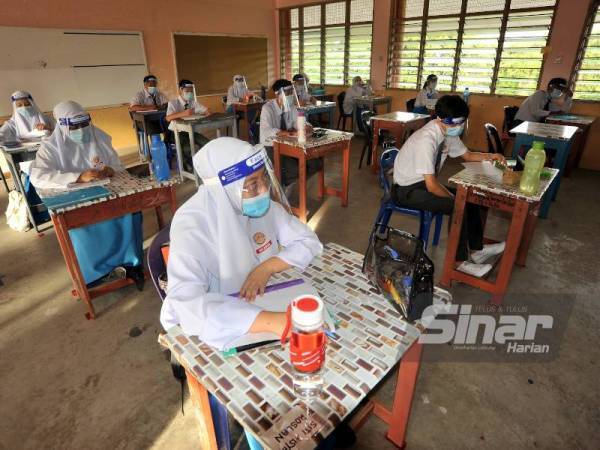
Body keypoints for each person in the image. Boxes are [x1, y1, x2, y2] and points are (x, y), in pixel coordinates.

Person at [29, 101, 144, 287]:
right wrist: (78, 177)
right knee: (83, 224)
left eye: (84, 124)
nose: (81, 130)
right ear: (62, 125)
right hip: (77, 197)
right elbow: (38, 176)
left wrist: (109, 170)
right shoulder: (51, 147)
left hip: (106, 191)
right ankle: (96, 274)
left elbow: (116, 165)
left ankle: (130, 263)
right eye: (74, 126)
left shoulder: (98, 137)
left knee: (128, 212)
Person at [392, 95, 506, 278]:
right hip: (406, 190)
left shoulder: (447, 132)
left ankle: (477, 250)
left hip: (422, 184)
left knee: (469, 196)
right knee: (458, 205)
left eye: (463, 122)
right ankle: (459, 262)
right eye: (458, 123)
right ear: (442, 119)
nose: (460, 127)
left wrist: (490, 156)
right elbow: (431, 186)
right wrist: (454, 199)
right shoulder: (426, 139)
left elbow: (467, 155)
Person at [259, 79, 321, 187]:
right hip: (271, 145)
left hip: (288, 143)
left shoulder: (290, 106)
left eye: (291, 92)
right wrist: (288, 134)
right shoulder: (267, 108)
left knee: (316, 163)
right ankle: (281, 187)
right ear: (278, 94)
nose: (291, 95)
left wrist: (306, 126)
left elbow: (298, 121)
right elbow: (267, 131)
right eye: (287, 93)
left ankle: (295, 184)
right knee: (294, 170)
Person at [166, 79, 210, 171]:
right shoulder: (173, 103)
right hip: (176, 133)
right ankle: (188, 167)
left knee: (206, 143)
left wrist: (207, 113)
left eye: (191, 91)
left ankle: (205, 163)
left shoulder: (192, 102)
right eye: (187, 91)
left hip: (190, 130)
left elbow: (205, 110)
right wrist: (183, 113)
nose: (190, 93)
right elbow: (168, 118)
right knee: (187, 148)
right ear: (180, 90)